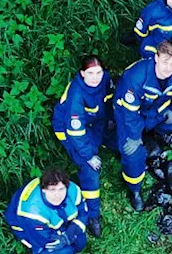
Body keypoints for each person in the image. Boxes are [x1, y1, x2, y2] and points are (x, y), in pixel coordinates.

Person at [113, 40, 172, 211]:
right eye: (165, 61)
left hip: (157, 112)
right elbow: (128, 114)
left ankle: (157, 138)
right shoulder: (135, 78)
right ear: (156, 57)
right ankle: (134, 190)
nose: (168, 68)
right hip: (130, 118)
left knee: (171, 123)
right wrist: (135, 137)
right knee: (133, 154)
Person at [51, 55, 114, 237]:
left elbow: (108, 98)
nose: (95, 77)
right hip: (71, 131)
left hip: (95, 122)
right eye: (90, 73)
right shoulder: (76, 95)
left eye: (99, 72)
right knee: (89, 168)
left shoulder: (105, 80)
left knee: (119, 141)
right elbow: (76, 132)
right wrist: (88, 156)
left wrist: (109, 118)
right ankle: (92, 215)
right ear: (82, 74)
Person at [4, 167, 89, 254]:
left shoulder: (74, 190)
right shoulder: (33, 212)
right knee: (63, 250)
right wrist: (68, 235)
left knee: (81, 244)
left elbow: (83, 213)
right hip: (28, 227)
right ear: (43, 190)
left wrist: (69, 234)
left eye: (61, 189)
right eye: (52, 190)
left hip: (58, 222)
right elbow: (45, 239)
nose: (57, 195)